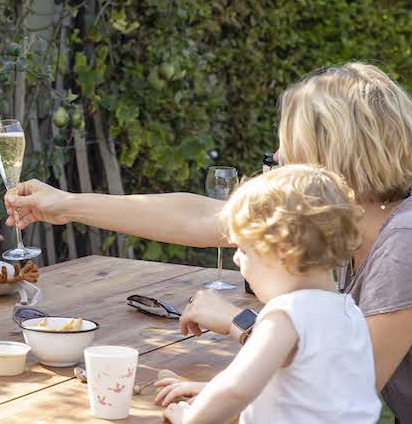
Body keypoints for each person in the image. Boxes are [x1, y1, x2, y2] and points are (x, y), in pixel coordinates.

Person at [3, 62, 412, 423]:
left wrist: (241, 323)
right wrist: (65, 205)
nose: (276, 169)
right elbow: (201, 216)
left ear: (328, 158)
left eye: (282, 158)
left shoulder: (411, 236)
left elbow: (350, 380)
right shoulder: (340, 220)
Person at [154, 165, 380, 423]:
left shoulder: (285, 314)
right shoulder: (348, 311)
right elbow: (310, 391)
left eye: (244, 249)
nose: (237, 259)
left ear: (282, 251)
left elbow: (235, 390)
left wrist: (190, 417)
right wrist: (210, 391)